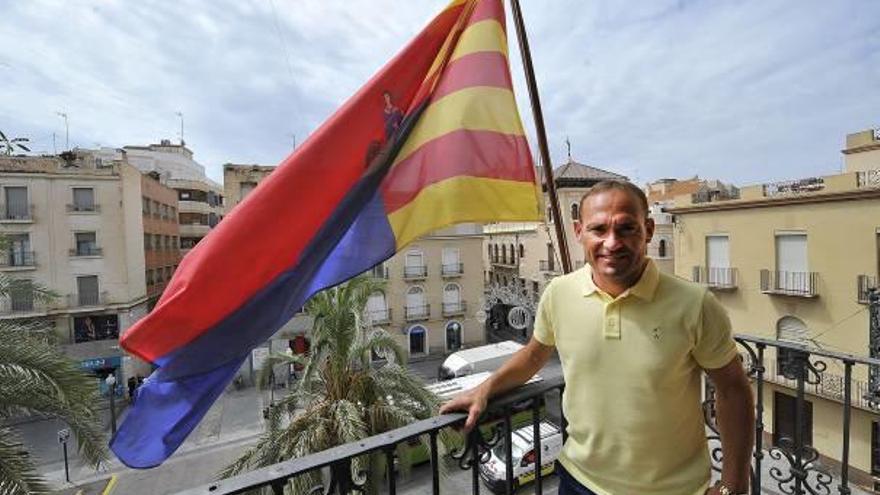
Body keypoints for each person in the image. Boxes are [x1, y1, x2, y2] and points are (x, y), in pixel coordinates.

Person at [441, 180, 754, 495]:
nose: (612, 242)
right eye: (599, 229)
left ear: (648, 229)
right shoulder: (558, 293)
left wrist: (733, 484)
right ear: (579, 232)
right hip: (579, 481)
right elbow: (534, 356)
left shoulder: (695, 304)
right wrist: (484, 390)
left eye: (627, 228)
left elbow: (733, 390)